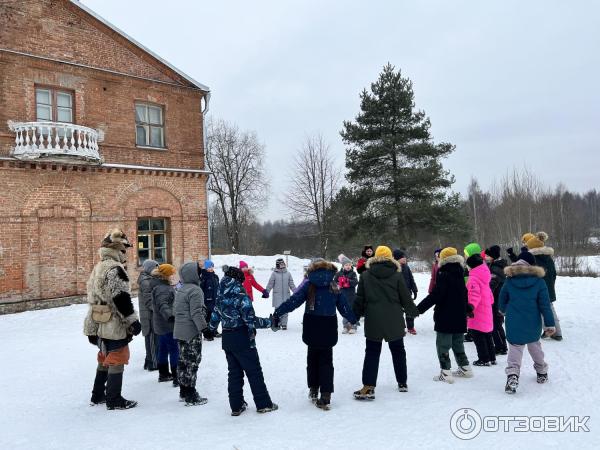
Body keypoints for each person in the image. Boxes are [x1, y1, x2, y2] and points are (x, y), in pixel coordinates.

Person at [274, 259, 357, 410]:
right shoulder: (334, 284)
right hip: (328, 325)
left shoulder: (309, 284)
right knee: (326, 361)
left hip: (312, 325)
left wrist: (278, 312)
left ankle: (313, 389)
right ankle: (325, 395)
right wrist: (353, 318)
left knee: (312, 358)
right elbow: (343, 306)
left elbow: (294, 301)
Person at [206, 266, 278, 415]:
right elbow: (250, 320)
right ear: (238, 280)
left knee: (234, 373)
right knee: (254, 372)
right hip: (242, 338)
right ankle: (263, 404)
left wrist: (210, 329)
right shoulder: (240, 296)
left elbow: (213, 321)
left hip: (227, 339)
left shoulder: (220, 296)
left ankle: (236, 405)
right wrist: (269, 322)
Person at [83, 229, 142, 410]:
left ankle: (98, 394)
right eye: (124, 249)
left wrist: (91, 326)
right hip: (113, 322)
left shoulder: (98, 266)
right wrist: (132, 321)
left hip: (98, 319)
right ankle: (114, 399)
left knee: (103, 356)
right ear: (117, 249)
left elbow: (92, 297)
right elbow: (120, 298)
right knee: (118, 356)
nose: (125, 253)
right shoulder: (115, 270)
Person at [352, 246, 419, 399]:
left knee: (372, 352)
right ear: (391, 258)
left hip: (373, 319)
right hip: (394, 319)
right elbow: (405, 297)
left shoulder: (366, 275)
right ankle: (402, 382)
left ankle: (368, 387)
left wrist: (354, 316)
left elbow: (359, 299)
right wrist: (413, 311)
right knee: (398, 351)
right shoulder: (397, 275)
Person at [499, 251, 555, 394]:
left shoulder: (509, 280)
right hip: (532, 322)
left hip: (513, 321)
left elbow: (502, 299)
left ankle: (512, 375)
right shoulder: (539, 281)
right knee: (535, 347)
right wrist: (549, 324)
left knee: (515, 349)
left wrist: (503, 310)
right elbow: (545, 305)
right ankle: (542, 372)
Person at [417, 247, 473, 384]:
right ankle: (465, 368)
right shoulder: (460, 272)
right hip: (459, 316)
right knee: (458, 343)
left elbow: (436, 295)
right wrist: (467, 309)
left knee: (443, 345)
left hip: (446, 316)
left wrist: (418, 309)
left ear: (443, 259)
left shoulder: (444, 274)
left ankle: (446, 372)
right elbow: (464, 295)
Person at [173, 261, 209, 406]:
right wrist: (204, 329)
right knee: (192, 362)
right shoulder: (195, 290)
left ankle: (183, 390)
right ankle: (191, 394)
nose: (200, 274)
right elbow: (196, 313)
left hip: (179, 331)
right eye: (198, 271)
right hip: (191, 332)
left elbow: (175, 310)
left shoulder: (181, 289)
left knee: (182, 361)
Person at [525, 232, 562, 341]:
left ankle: (549, 330)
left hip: (537, 288)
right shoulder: (548, 258)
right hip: (549, 287)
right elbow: (553, 274)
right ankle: (557, 332)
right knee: (549, 308)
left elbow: (530, 275)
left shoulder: (533, 259)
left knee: (540, 309)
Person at [466, 252, 496, 366]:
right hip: (486, 308)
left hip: (477, 311)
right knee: (487, 335)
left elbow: (474, 294)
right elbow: (489, 293)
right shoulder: (484, 275)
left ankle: (484, 359)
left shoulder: (473, 278)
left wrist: (470, 307)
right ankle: (492, 357)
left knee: (478, 336)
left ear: (472, 266)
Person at [151, 263, 179, 386]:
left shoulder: (161, 285)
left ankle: (163, 373)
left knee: (163, 348)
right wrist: (170, 316)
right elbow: (163, 305)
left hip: (161, 324)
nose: (173, 275)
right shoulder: (162, 288)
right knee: (174, 349)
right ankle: (177, 376)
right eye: (172, 273)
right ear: (166, 275)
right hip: (167, 324)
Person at [485, 245, 508, 355]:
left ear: (493, 256)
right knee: (496, 323)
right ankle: (501, 345)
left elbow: (492, 285)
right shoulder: (495, 265)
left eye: (488, 255)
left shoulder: (496, 268)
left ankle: (501, 347)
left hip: (496, 300)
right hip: (497, 299)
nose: (485, 257)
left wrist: (485, 296)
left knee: (495, 323)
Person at [137, 259, 159, 371]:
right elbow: (148, 300)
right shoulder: (146, 281)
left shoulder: (149, 279)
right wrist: (157, 310)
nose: (157, 270)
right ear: (150, 269)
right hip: (149, 315)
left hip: (150, 314)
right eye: (155, 268)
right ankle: (153, 364)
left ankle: (148, 361)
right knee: (151, 339)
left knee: (153, 339)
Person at [266, 258, 296, 330]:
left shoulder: (288, 273)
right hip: (277, 296)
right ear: (277, 265)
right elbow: (270, 284)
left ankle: (284, 324)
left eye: (283, 264)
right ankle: (278, 323)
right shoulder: (274, 274)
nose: (282, 265)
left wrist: (296, 291)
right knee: (278, 310)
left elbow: (291, 284)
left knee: (285, 310)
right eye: (281, 264)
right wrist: (266, 292)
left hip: (286, 295)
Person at [393, 249, 418, 335]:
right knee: (398, 312)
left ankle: (410, 327)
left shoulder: (406, 267)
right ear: (397, 259)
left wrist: (414, 289)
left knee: (410, 311)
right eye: (402, 257)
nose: (405, 258)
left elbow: (411, 279)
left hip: (407, 293)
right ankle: (400, 327)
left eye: (404, 257)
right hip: (397, 295)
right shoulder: (393, 268)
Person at [334, 254, 359, 334]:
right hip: (342, 295)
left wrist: (348, 281)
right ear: (343, 266)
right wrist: (338, 284)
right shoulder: (339, 274)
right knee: (344, 311)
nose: (348, 266)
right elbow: (334, 282)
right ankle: (345, 326)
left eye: (349, 265)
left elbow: (355, 282)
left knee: (351, 310)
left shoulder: (353, 274)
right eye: (346, 265)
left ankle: (353, 326)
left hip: (351, 296)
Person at [200, 260, 221, 339]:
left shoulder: (215, 277)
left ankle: (214, 331)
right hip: (207, 301)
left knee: (215, 316)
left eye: (212, 266)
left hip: (215, 300)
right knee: (208, 317)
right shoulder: (203, 277)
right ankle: (207, 333)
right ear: (206, 267)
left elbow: (218, 287)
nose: (211, 268)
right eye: (209, 267)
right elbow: (201, 289)